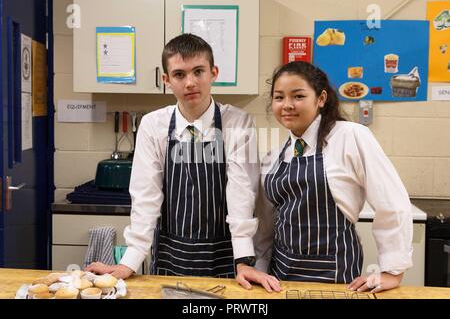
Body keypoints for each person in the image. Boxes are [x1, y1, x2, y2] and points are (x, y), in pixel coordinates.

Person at [86, 33, 281, 293]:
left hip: (224, 254)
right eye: (179, 74)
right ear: (166, 80)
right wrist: (130, 261)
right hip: (170, 253)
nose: (190, 82)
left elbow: (242, 192)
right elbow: (146, 195)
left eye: (198, 71)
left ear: (213, 73)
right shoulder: (153, 125)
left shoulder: (237, 122)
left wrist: (244, 259)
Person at [253, 61, 413, 293]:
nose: (287, 105)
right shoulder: (274, 157)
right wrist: (260, 266)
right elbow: (267, 226)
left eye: (298, 96)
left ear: (321, 98)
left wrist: (393, 271)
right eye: (279, 98)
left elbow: (393, 202)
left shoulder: (350, 136)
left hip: (334, 272)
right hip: (281, 274)